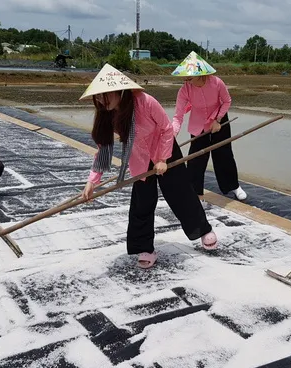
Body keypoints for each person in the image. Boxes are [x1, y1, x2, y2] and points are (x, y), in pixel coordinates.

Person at [79, 63, 218, 269]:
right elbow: (104, 148)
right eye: (98, 96)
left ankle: (203, 230)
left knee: (181, 194)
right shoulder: (106, 114)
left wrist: (162, 159)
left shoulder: (145, 102)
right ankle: (145, 247)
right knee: (142, 202)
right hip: (140, 158)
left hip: (166, 151)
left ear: (120, 92)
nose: (100, 100)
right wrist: (92, 181)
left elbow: (166, 129)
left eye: (105, 95)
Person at [170, 51, 247, 202]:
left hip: (219, 120)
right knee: (196, 158)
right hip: (199, 124)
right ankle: (195, 193)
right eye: (185, 77)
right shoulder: (185, 90)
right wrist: (171, 135)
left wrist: (217, 120)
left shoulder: (217, 83)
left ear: (200, 74)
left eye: (189, 77)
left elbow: (227, 101)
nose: (186, 80)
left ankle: (233, 186)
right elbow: (178, 116)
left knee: (224, 154)